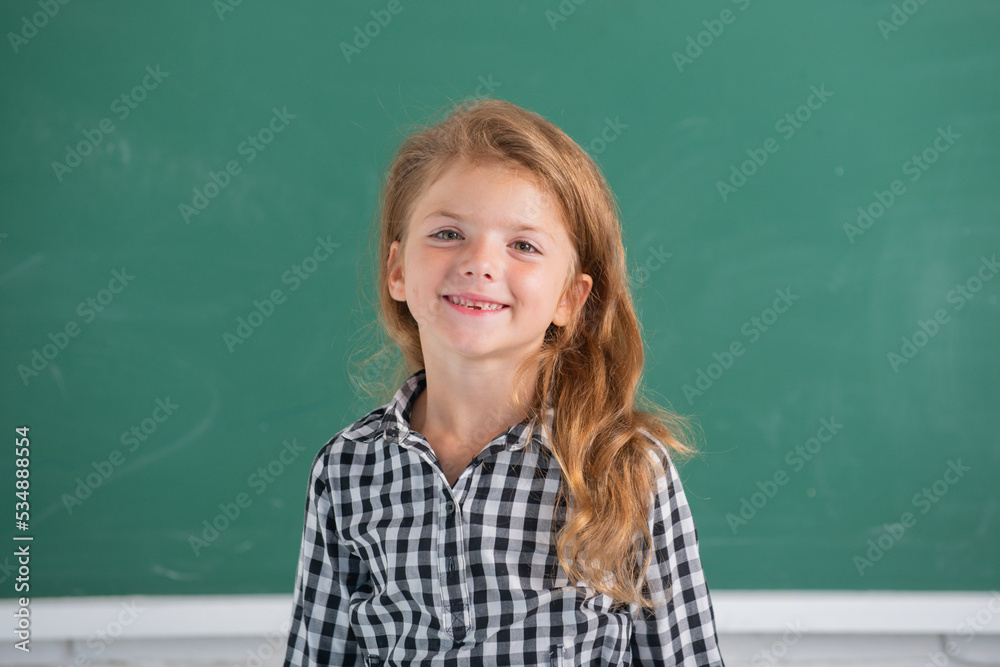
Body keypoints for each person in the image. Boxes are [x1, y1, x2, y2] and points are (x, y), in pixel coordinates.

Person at [283, 97, 725, 666]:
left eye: (523, 245)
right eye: (447, 234)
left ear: (570, 298)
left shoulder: (623, 467)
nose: (480, 263)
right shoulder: (347, 470)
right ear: (396, 269)